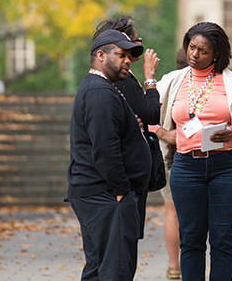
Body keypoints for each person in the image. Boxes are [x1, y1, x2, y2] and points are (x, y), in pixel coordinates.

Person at [155, 22, 232, 281]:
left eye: (202, 51)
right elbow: (149, 105)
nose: (194, 54)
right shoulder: (173, 81)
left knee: (222, 240)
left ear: (217, 54)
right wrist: (161, 132)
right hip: (186, 167)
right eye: (191, 47)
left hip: (228, 167)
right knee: (191, 240)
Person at [67, 29, 150, 280]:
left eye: (129, 56)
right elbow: (104, 148)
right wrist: (121, 191)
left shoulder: (100, 88)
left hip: (98, 192)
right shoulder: (100, 92)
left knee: (99, 267)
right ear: (101, 55)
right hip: (105, 194)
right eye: (121, 55)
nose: (127, 61)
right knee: (115, 269)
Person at [93, 16, 160, 239]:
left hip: (126, 172)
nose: (135, 51)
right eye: (132, 43)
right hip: (126, 173)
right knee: (123, 246)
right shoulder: (118, 78)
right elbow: (150, 113)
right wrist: (150, 78)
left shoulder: (113, 76)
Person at [153, 48, 188, 280]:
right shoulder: (209, 84)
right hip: (193, 157)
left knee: (172, 211)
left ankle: (174, 266)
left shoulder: (167, 83)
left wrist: (161, 133)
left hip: (168, 156)